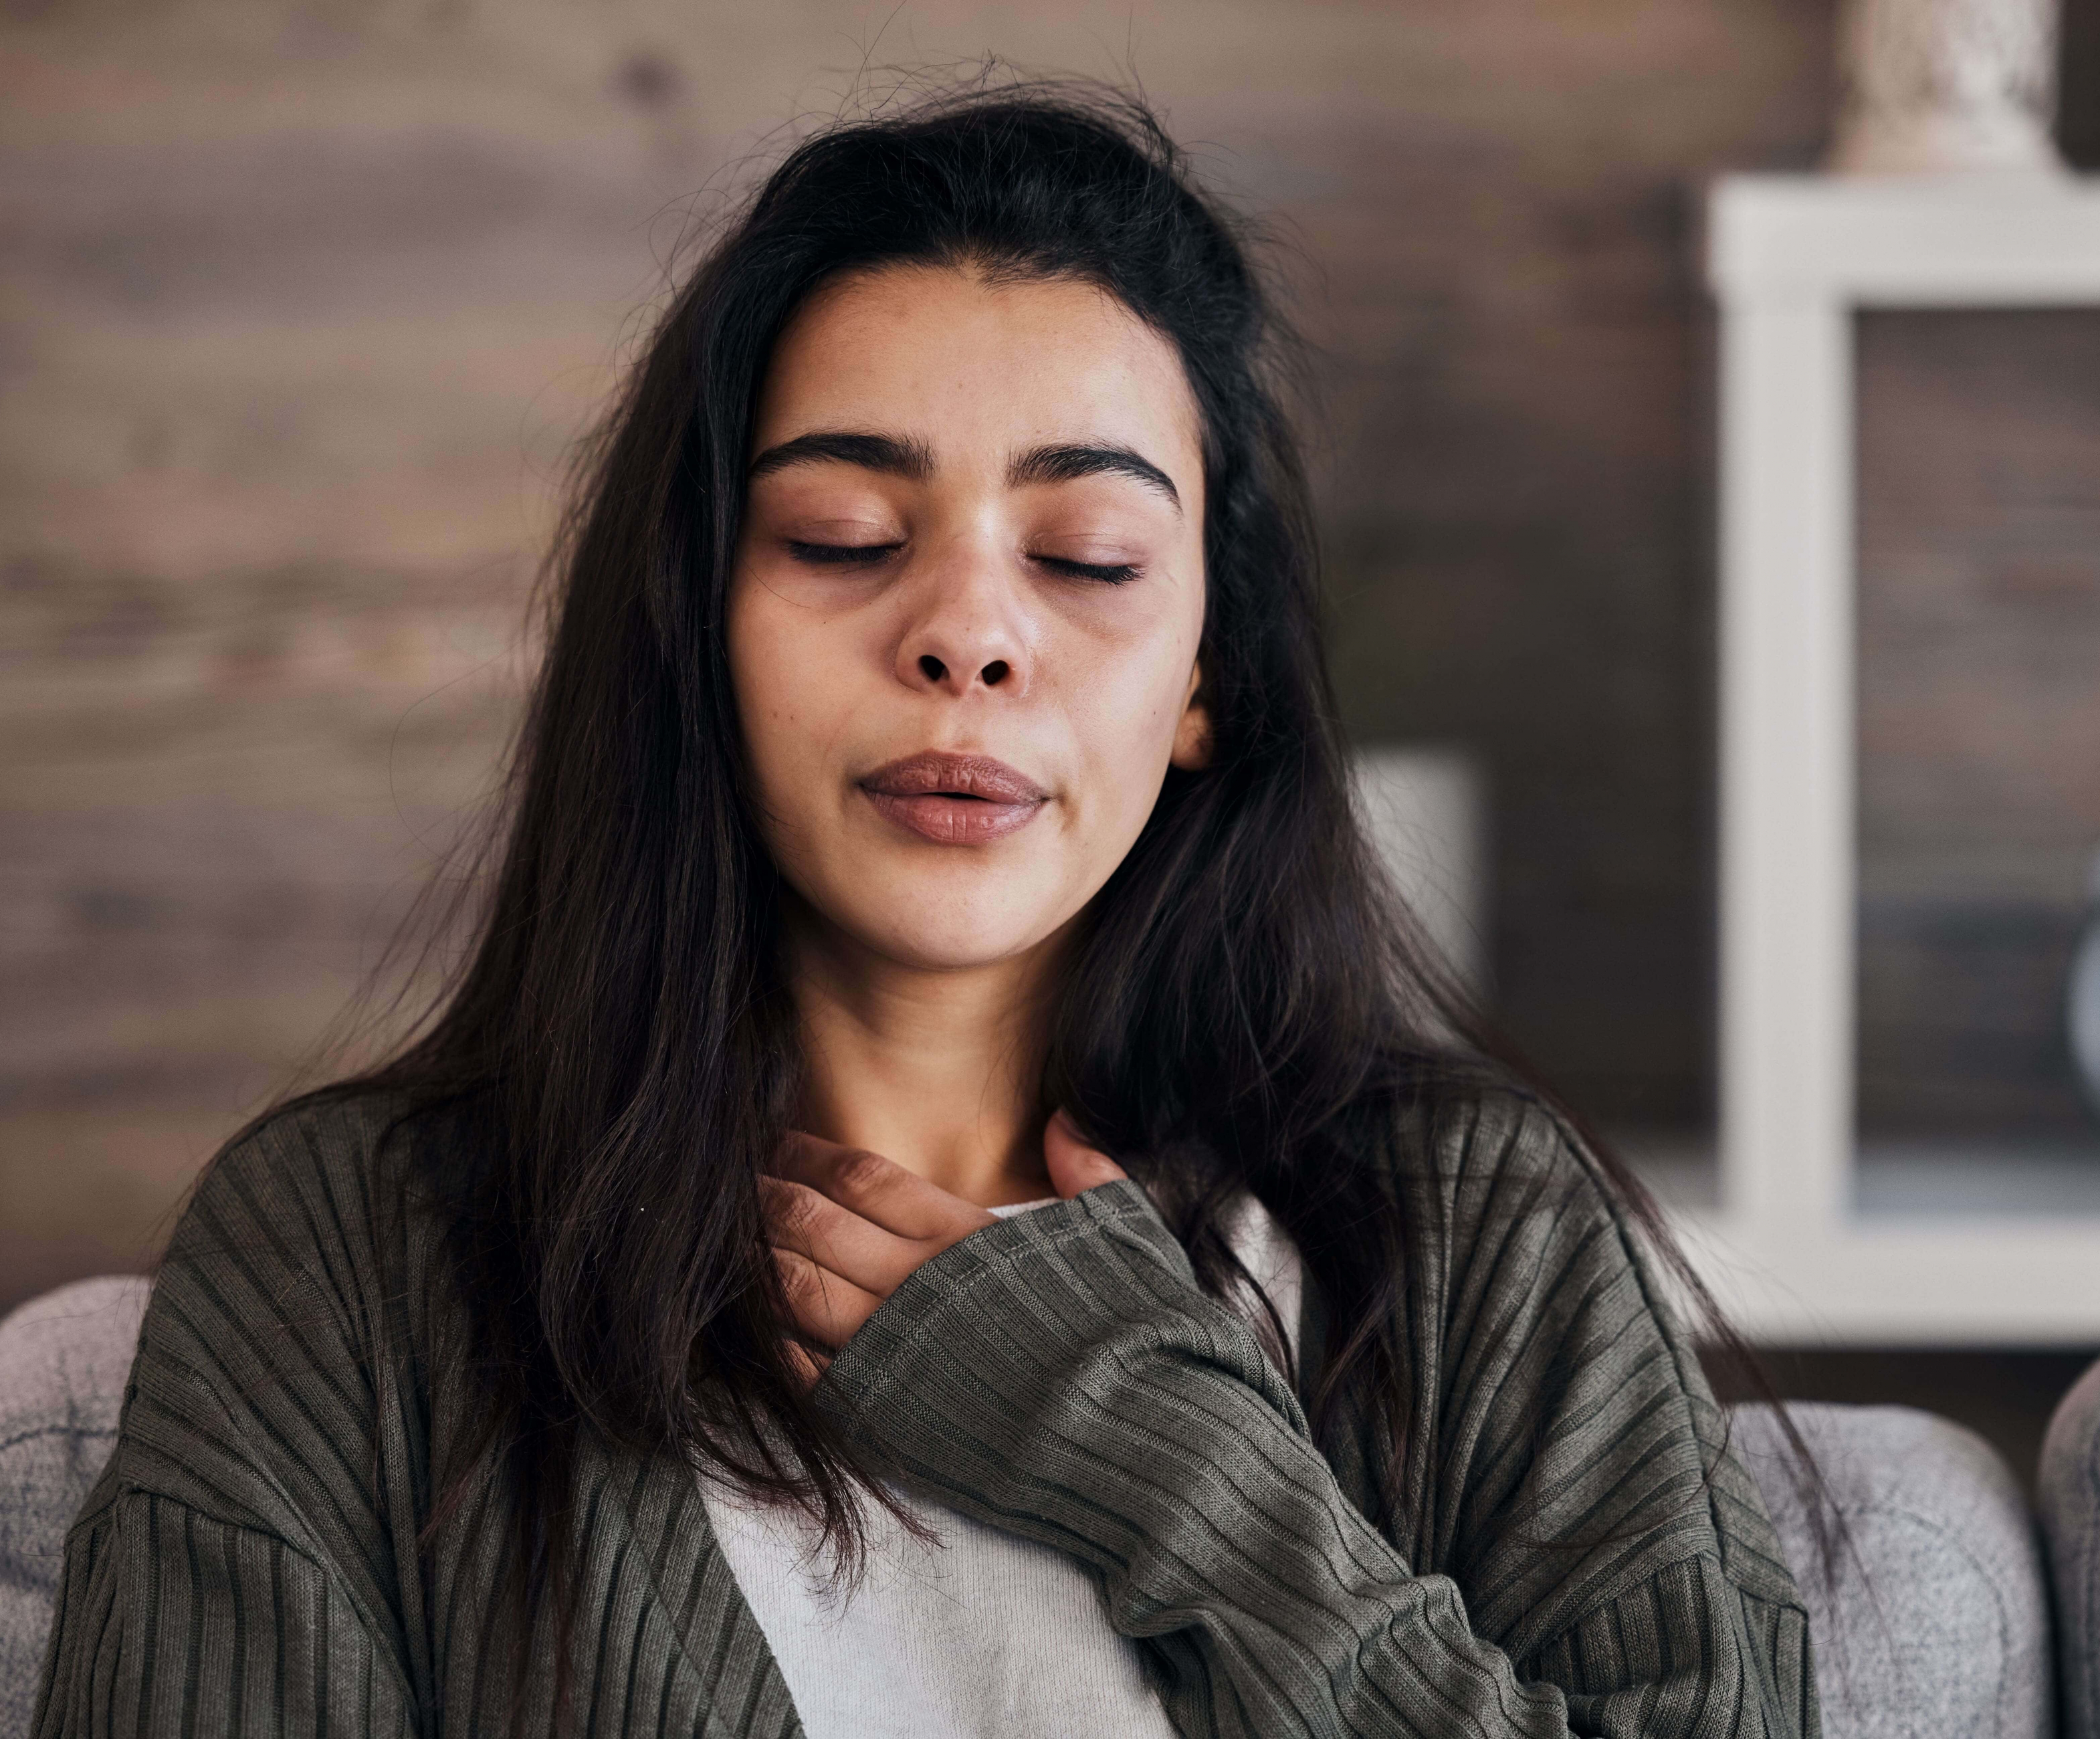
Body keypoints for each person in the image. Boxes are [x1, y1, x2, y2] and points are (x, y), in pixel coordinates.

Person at [32, 84, 1816, 1738]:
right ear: (695, 630)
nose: (966, 634)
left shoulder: (1469, 1235)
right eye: (839, 536)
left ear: (1207, 672)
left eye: (1087, 560)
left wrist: (1170, 1469)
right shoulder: (343, 1262)